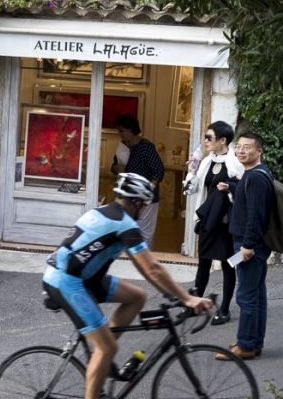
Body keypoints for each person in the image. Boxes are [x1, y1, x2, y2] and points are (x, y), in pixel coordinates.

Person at [42, 173, 211, 399]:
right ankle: (103, 351)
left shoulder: (102, 211)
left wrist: (171, 295)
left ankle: (102, 352)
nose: (144, 211)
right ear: (138, 203)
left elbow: (143, 266)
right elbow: (152, 268)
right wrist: (187, 298)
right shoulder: (124, 224)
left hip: (82, 277)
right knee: (107, 348)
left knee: (137, 296)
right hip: (66, 281)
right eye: (144, 206)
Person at [218, 132, 275, 360]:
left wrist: (248, 245)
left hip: (249, 244)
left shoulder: (257, 178)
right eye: (239, 147)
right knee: (257, 294)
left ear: (258, 151)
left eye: (247, 147)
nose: (241, 151)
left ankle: (246, 346)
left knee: (247, 296)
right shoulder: (253, 174)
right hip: (250, 242)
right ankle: (252, 341)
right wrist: (232, 187)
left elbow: (256, 215)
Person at [185, 120, 243, 325]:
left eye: (209, 137)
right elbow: (190, 191)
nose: (205, 141)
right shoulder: (206, 162)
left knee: (228, 266)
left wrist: (229, 189)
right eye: (205, 137)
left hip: (226, 223)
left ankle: (225, 309)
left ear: (222, 140)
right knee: (203, 264)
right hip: (208, 220)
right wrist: (192, 171)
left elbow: (243, 193)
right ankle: (196, 305)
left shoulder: (235, 163)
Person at [110, 114, 165, 248]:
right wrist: (117, 167)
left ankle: (143, 261)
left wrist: (146, 191)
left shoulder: (146, 147)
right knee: (126, 230)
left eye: (121, 130)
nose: (119, 134)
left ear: (130, 129)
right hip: (126, 196)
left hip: (146, 199)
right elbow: (114, 166)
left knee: (144, 233)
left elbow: (158, 171)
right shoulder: (123, 146)